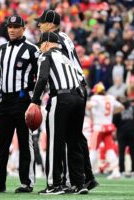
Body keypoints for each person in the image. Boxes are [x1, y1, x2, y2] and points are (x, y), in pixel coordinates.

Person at [35, 9, 98, 191]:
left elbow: (49, 67)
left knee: (62, 136)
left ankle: (66, 181)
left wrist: (35, 98)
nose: (39, 25)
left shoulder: (54, 41)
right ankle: (84, 179)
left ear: (51, 24)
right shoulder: (65, 37)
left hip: (68, 89)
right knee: (75, 136)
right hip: (78, 88)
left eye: (42, 22)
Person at [0, 15, 39, 193]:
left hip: (23, 101)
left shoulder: (32, 49)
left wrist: (35, 100)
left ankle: (27, 182)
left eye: (16, 26)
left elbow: (41, 77)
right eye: (9, 27)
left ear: (23, 28)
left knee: (24, 143)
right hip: (5, 101)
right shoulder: (3, 48)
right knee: (1, 144)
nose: (12, 29)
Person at [29, 32, 88, 195]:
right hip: (78, 98)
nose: (40, 47)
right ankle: (79, 183)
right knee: (74, 141)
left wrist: (34, 101)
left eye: (40, 44)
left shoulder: (46, 55)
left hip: (61, 98)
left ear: (47, 43)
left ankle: (54, 184)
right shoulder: (66, 58)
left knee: (55, 142)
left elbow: (42, 78)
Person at [87, 82, 124, 179]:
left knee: (93, 150)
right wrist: (110, 113)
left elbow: (90, 106)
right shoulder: (110, 98)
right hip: (108, 126)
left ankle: (86, 172)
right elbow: (121, 107)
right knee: (110, 149)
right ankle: (116, 171)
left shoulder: (95, 98)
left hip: (98, 127)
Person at [113, 99, 134, 177]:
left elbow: (114, 122)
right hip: (132, 134)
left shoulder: (119, 110)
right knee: (133, 153)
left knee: (121, 153)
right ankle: (133, 171)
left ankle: (122, 171)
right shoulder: (133, 109)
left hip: (121, 134)